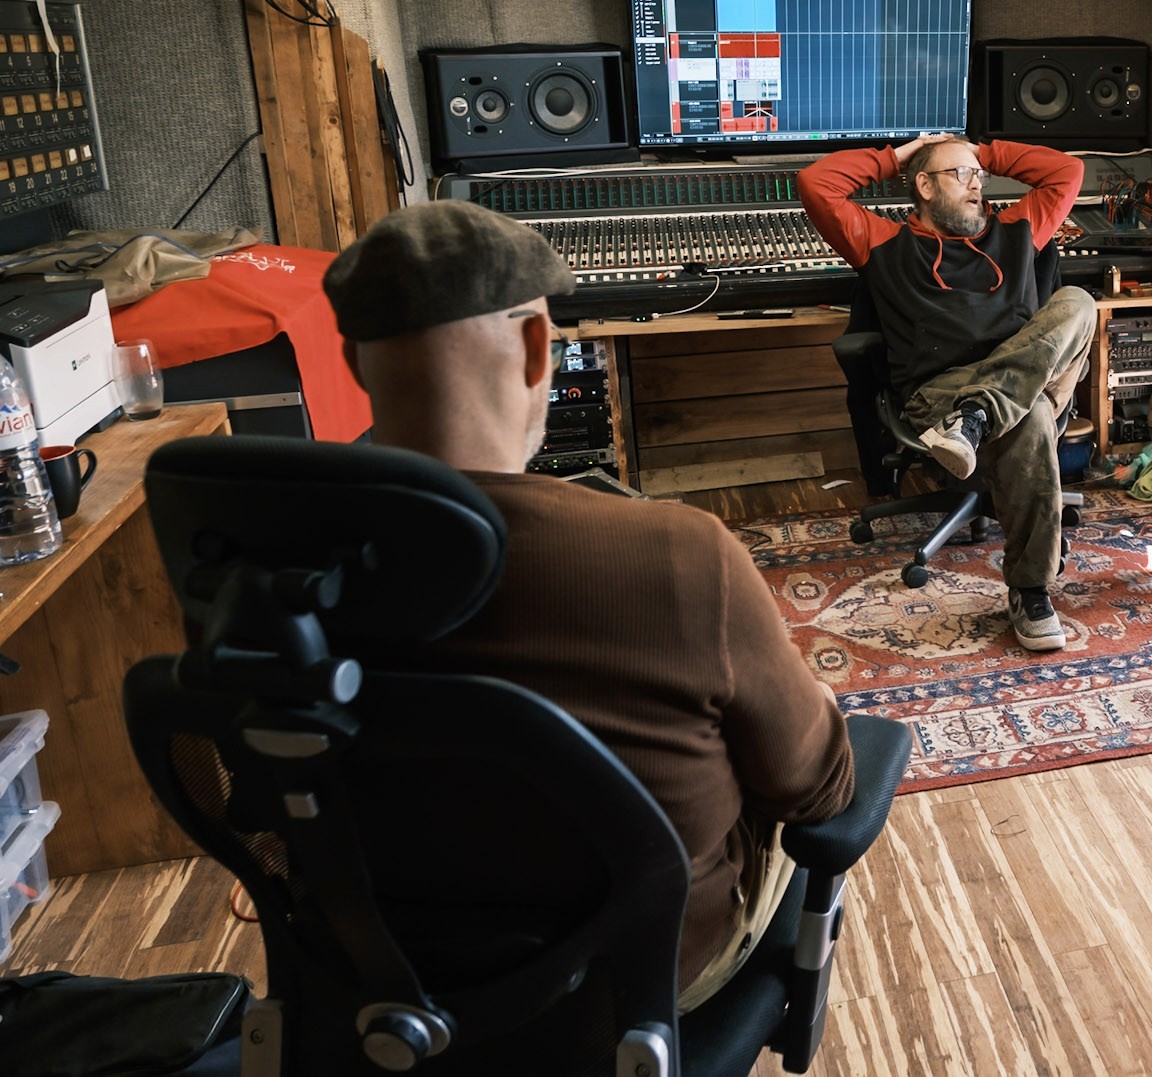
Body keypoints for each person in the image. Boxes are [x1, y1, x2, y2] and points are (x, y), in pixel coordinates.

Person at [322, 201, 854, 1011]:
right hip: (636, 986)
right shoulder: (682, 554)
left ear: (353, 363)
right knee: (789, 730)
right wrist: (816, 707)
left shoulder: (264, 566)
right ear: (541, 346)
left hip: (379, 973)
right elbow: (816, 790)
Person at [799, 132, 1094, 652]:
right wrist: (898, 156)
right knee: (1029, 419)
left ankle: (979, 414)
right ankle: (1030, 591)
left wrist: (981, 152)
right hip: (940, 394)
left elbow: (1067, 171)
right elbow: (815, 183)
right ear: (925, 186)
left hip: (1018, 384)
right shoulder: (882, 242)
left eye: (979, 174)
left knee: (1078, 302)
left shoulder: (1018, 229)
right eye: (961, 174)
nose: (977, 183)